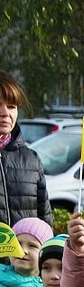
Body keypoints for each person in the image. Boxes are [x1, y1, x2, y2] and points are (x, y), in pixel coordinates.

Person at [0, 72, 53, 225]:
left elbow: (44, 224)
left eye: (12, 107)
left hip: (25, 250)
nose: (6, 113)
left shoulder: (31, 160)